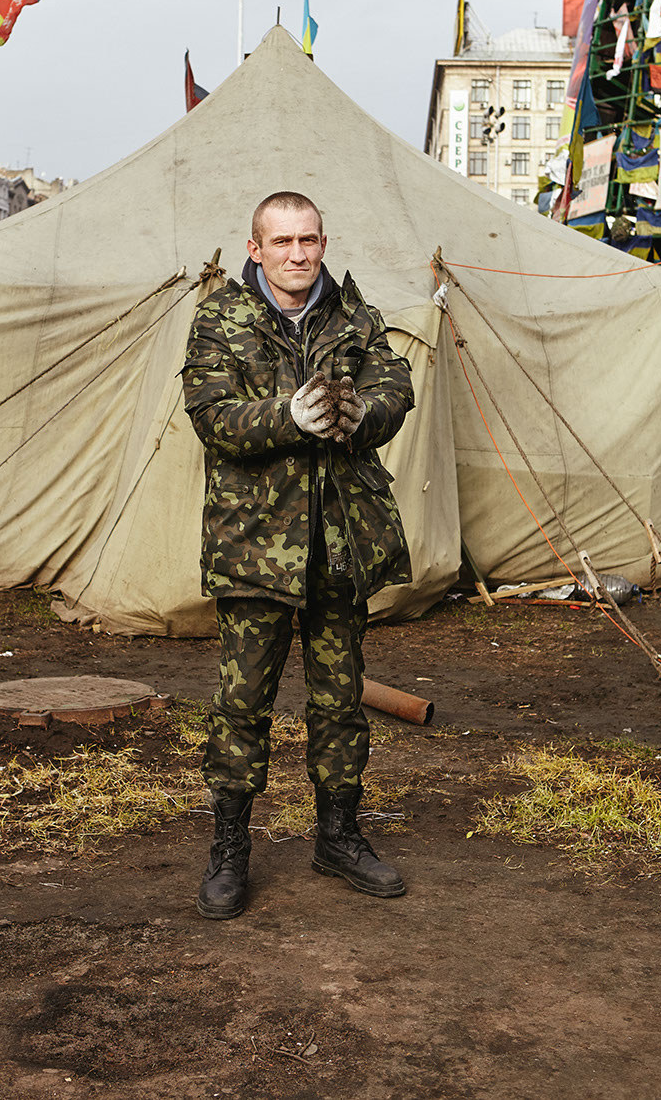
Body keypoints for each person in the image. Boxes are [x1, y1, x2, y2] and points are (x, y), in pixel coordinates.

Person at [182, 190, 415, 920]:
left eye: (308, 240)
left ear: (323, 242)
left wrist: (362, 415)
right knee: (242, 704)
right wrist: (286, 416)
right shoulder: (222, 319)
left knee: (340, 702)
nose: (297, 254)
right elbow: (210, 417)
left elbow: (394, 385)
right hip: (255, 546)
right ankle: (229, 849)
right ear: (255, 249)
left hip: (339, 540)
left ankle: (338, 836)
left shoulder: (353, 315)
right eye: (281, 242)